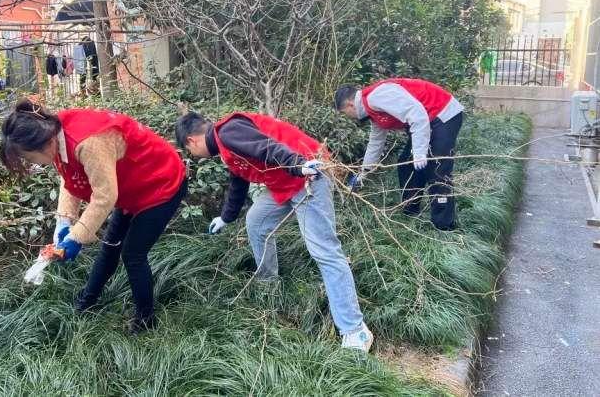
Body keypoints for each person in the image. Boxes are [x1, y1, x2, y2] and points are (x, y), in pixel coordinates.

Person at [175, 111, 373, 352]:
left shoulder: (227, 131)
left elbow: (266, 147)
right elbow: (239, 182)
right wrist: (225, 218)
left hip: (308, 175)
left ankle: (355, 330)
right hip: (285, 182)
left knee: (324, 250)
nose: (194, 157)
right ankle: (268, 284)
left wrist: (299, 165)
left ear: (191, 141)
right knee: (256, 221)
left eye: (190, 153)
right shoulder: (226, 145)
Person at [0, 100, 187, 332]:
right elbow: (69, 178)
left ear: (46, 144)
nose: (31, 163)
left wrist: (77, 237)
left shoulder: (88, 144)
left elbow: (104, 197)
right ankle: (86, 302)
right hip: (130, 187)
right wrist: (64, 221)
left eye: (29, 158)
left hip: (161, 182)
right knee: (109, 247)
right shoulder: (52, 132)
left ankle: (145, 321)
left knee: (132, 255)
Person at [334, 78, 464, 231]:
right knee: (406, 165)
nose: (348, 116)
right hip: (426, 120)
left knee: (437, 168)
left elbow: (417, 115)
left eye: (345, 113)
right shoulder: (372, 111)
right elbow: (376, 143)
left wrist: (420, 153)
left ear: (350, 105)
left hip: (443, 113)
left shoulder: (377, 97)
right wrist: (364, 172)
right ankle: (410, 211)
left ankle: (443, 226)